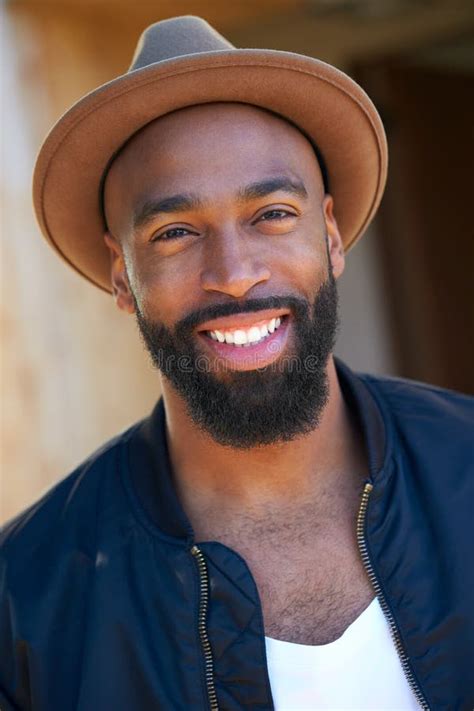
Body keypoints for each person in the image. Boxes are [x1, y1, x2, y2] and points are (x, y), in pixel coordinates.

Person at [1, 15, 472, 711]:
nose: (234, 273)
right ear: (122, 276)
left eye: (272, 213)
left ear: (332, 235)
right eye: (176, 232)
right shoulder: (26, 600)